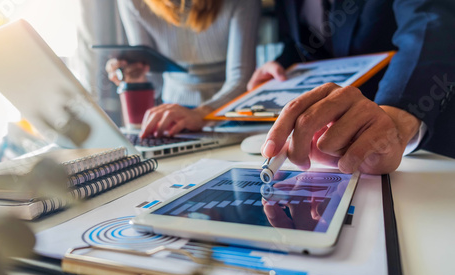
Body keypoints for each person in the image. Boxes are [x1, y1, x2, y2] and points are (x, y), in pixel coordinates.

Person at [248, 0, 455, 175]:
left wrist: (394, 124)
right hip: (330, 140)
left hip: (425, 134)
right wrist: (280, 66)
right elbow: (301, 43)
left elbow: (430, 23)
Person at [106, 0, 260, 138]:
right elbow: (154, 81)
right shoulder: (133, 3)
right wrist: (134, 78)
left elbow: (242, 80)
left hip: (231, 111)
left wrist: (201, 114)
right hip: (173, 113)